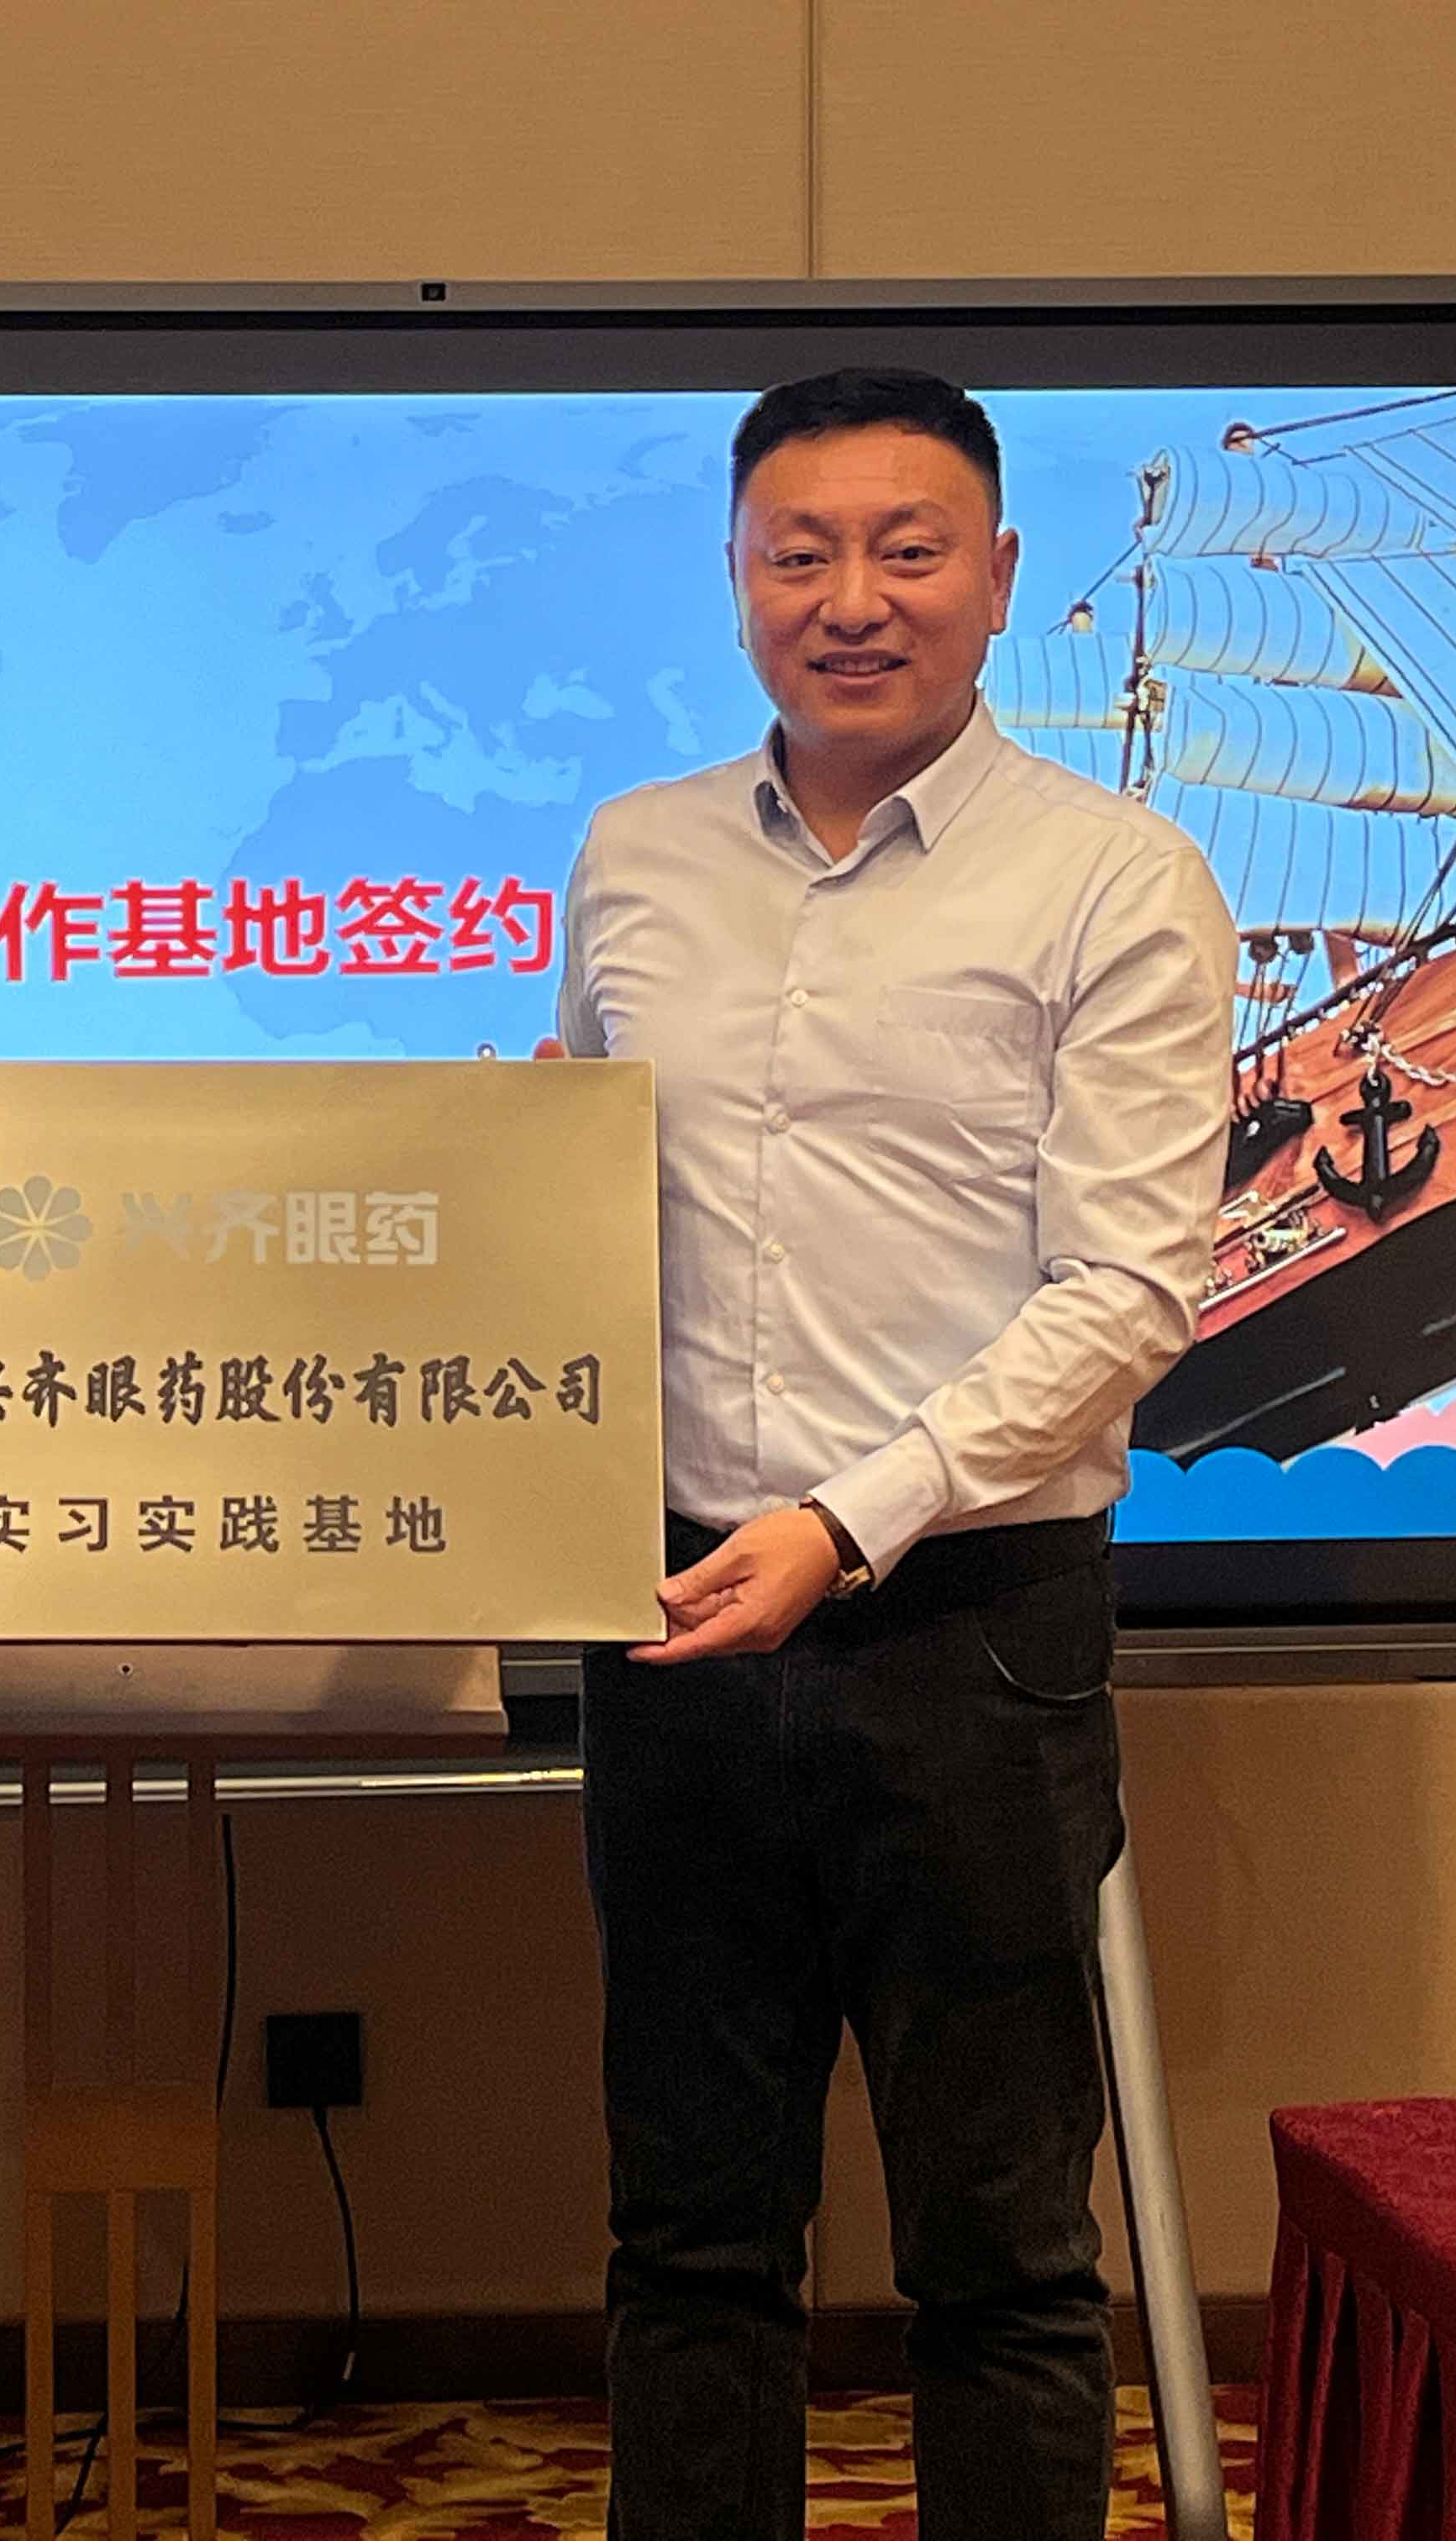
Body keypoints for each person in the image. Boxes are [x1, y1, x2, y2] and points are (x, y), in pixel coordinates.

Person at [550, 370, 1236, 2538]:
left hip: (973, 1637)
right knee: (689, 2242)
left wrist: (847, 1525)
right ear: (738, 577)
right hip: (673, 1617)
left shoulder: (1116, 881)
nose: (852, 599)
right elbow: (568, 1193)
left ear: (1000, 578)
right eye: (801, 553)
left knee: (1002, 2255)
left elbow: (1129, 1292)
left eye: (907, 550)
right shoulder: (635, 855)